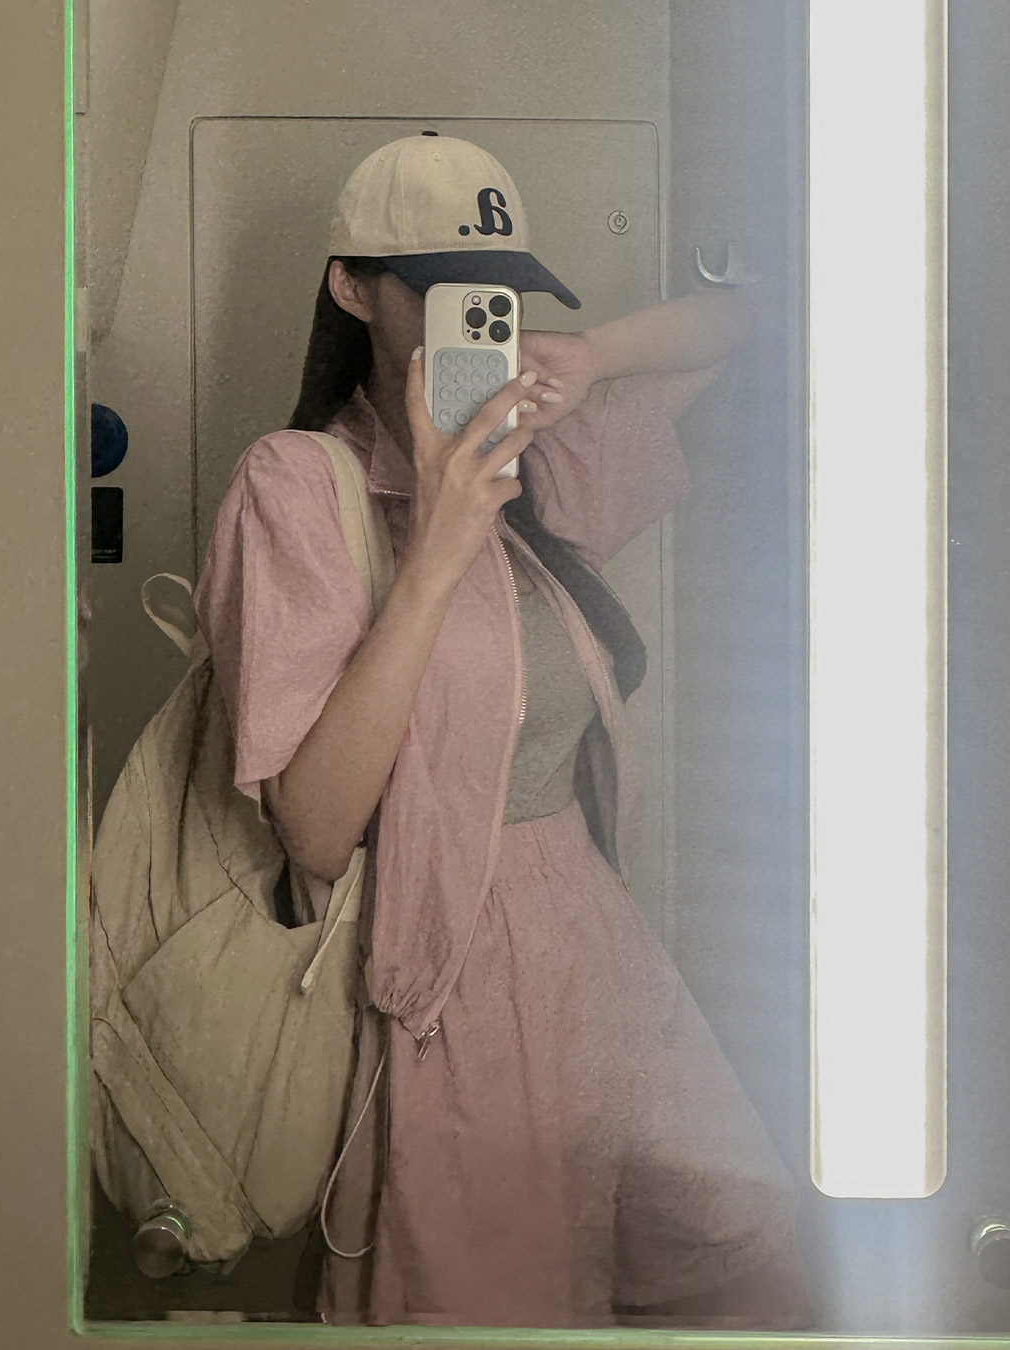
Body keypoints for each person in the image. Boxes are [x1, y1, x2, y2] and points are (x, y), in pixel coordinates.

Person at [193, 133, 813, 1330]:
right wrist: (437, 542)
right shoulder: (297, 486)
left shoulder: (544, 458)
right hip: (444, 968)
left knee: (738, 1259)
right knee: (493, 1306)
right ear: (353, 288)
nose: (483, 314)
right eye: (444, 286)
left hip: (595, 947)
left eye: (504, 289)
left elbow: (747, 321)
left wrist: (593, 356)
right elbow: (314, 831)